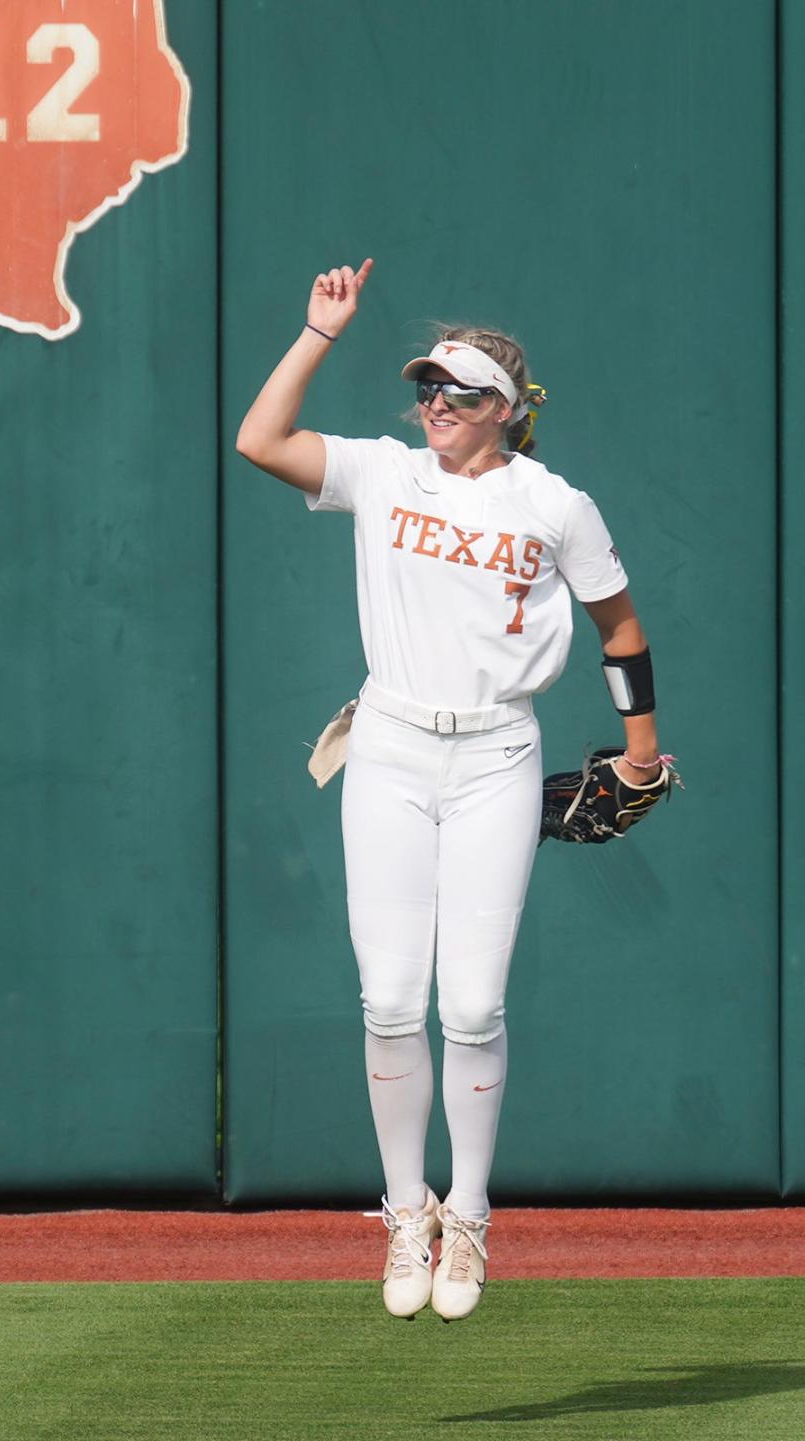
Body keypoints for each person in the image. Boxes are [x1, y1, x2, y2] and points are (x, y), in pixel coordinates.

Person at [236, 260, 663, 1322]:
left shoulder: (554, 504)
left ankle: (467, 1212)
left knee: (469, 1003)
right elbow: (260, 441)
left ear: (507, 413)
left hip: (496, 758)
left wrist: (641, 749)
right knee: (388, 998)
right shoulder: (385, 473)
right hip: (387, 744)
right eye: (428, 386)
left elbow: (621, 628)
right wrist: (317, 334)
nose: (434, 403)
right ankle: (402, 1212)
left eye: (459, 392)